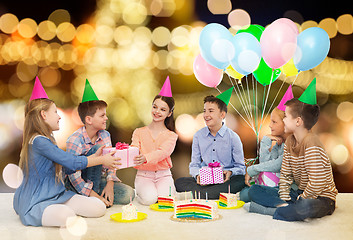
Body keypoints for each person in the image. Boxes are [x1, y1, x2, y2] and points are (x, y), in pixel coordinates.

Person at [13, 78, 120, 227]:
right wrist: (99, 160)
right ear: (44, 115)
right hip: (37, 200)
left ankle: (58, 209)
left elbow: (67, 167)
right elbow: (70, 161)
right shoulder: (38, 141)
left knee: (98, 207)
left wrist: (93, 158)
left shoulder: (48, 138)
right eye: (55, 112)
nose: (59, 116)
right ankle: (52, 211)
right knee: (68, 216)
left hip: (57, 194)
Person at [248, 79, 338, 221]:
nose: (283, 120)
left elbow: (316, 183)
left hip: (321, 198)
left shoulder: (311, 142)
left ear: (298, 121)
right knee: (254, 190)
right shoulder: (290, 142)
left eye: (286, 117)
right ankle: (284, 207)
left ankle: (273, 210)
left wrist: (303, 198)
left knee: (306, 207)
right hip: (298, 194)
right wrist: (285, 196)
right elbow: (285, 175)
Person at [65, 79, 135, 207]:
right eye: (102, 115)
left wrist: (110, 183)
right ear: (89, 119)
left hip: (99, 180)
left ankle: (96, 196)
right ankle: (89, 196)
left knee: (129, 194)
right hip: (78, 183)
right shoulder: (75, 140)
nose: (106, 118)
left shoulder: (105, 135)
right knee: (97, 149)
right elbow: (72, 175)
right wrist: (93, 194)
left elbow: (111, 162)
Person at [175, 88, 246, 199]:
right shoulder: (198, 136)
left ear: (222, 114)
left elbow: (241, 167)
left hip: (225, 180)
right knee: (179, 182)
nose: (206, 115)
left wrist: (230, 172)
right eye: (204, 111)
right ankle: (209, 193)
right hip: (205, 180)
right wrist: (198, 175)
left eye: (211, 111)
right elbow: (194, 164)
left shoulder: (233, 137)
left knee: (240, 181)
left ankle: (198, 194)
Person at [240, 86, 294, 205]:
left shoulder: (292, 143)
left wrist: (252, 169)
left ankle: (277, 206)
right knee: (243, 194)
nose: (270, 125)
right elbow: (265, 162)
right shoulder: (279, 143)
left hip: (289, 189)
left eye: (274, 122)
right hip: (274, 185)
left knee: (249, 193)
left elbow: (277, 165)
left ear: (286, 123)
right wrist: (265, 141)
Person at [131, 77, 178, 205]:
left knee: (166, 201)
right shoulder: (138, 132)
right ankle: (141, 193)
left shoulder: (171, 136)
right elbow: (134, 149)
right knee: (149, 200)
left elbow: (162, 152)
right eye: (155, 107)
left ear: (169, 113)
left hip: (164, 175)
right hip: (144, 175)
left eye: (163, 110)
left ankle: (165, 192)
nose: (157, 112)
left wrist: (145, 157)